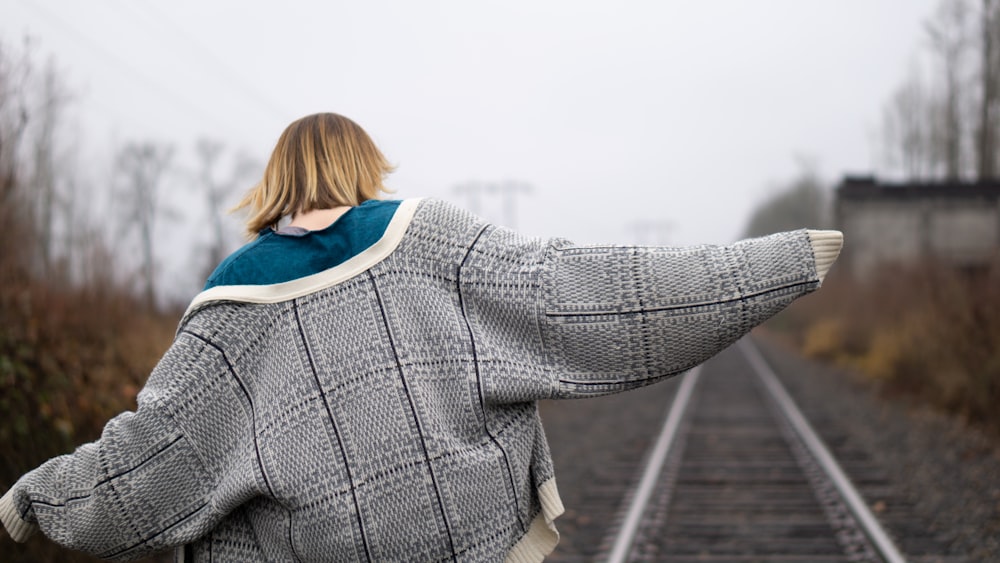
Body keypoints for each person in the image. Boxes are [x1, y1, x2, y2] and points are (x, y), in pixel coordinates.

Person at [0, 112, 843, 562]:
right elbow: (587, 296)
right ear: (365, 169)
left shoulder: (228, 317)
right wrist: (775, 264)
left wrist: (27, 502)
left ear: (277, 186)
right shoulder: (432, 243)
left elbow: (148, 468)